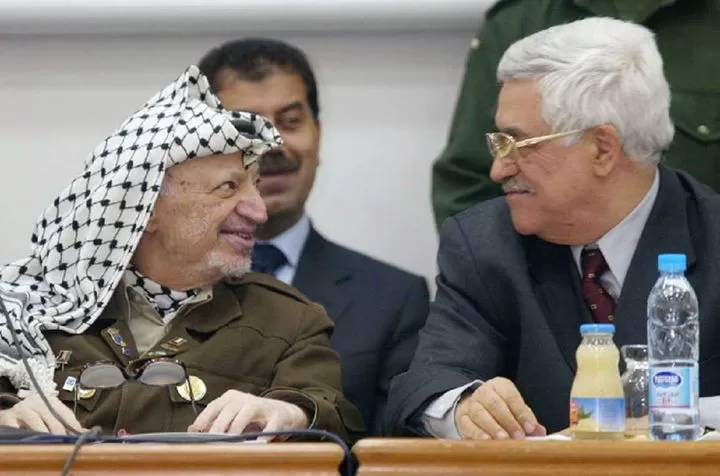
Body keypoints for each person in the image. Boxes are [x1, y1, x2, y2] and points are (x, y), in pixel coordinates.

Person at [385, 17, 720, 440]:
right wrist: (463, 407)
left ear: (602, 149)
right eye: (498, 144)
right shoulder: (486, 245)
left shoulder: (712, 235)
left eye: (516, 144)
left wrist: (682, 415)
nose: (498, 170)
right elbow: (422, 387)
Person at [0, 66, 364, 441]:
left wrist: (293, 413)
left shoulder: (288, 321)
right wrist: (7, 416)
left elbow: (336, 417)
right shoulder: (32, 313)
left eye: (254, 187)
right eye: (228, 188)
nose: (259, 212)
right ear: (145, 210)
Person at [198, 38, 430, 436]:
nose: (275, 144)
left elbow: (397, 451)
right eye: (246, 126)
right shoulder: (156, 289)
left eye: (290, 122)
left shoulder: (394, 299)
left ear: (318, 134)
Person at [431, 0, 720, 229]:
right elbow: (468, 181)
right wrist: (511, 276)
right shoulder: (523, 19)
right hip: (549, 272)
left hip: (697, 270)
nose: (500, 168)